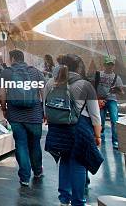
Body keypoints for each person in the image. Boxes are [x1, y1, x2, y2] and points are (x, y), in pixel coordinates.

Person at [44, 58, 102, 206]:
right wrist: (97, 135)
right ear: (79, 67)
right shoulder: (84, 85)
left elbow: (45, 107)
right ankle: (78, 201)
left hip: (57, 129)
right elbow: (95, 115)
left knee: (64, 160)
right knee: (79, 163)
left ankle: (64, 198)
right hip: (78, 129)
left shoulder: (51, 83)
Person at [0, 49, 45, 187]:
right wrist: (43, 111)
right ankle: (37, 171)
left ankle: (24, 177)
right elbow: (44, 93)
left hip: (16, 115)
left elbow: (2, 94)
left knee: (21, 144)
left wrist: (4, 108)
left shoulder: (6, 72)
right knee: (35, 144)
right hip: (35, 114)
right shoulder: (36, 72)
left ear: (12, 58)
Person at [95, 55, 124, 150]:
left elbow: (121, 92)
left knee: (114, 120)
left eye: (111, 65)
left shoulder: (116, 77)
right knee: (101, 119)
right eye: (108, 64)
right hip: (101, 99)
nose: (110, 66)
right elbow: (93, 87)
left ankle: (115, 140)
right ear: (104, 65)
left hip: (112, 99)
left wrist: (117, 90)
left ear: (113, 66)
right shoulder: (99, 74)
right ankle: (100, 134)